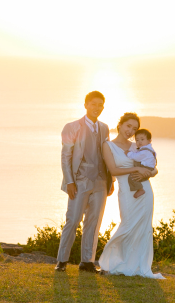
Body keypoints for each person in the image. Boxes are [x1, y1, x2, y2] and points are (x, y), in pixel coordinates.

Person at [98, 113, 164, 279]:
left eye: (134, 128)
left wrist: (150, 173)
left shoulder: (138, 145)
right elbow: (113, 170)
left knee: (143, 228)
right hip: (127, 193)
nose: (130, 131)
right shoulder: (108, 146)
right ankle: (113, 262)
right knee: (127, 225)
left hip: (145, 191)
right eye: (128, 126)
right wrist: (136, 169)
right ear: (120, 125)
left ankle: (137, 265)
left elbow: (153, 165)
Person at [55, 91, 115, 273]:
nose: (97, 108)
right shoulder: (71, 127)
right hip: (79, 181)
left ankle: (87, 262)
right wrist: (70, 182)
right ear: (86, 105)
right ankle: (62, 261)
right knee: (72, 220)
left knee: (94, 222)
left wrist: (110, 180)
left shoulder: (104, 128)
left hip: (100, 182)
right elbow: (66, 157)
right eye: (94, 104)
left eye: (101, 105)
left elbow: (107, 155)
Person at [125, 128, 157, 199]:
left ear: (149, 141)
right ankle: (140, 189)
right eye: (137, 140)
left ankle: (140, 189)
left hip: (146, 168)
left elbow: (136, 157)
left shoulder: (144, 151)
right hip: (149, 167)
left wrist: (128, 153)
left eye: (142, 139)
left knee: (132, 177)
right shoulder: (148, 149)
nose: (139, 142)